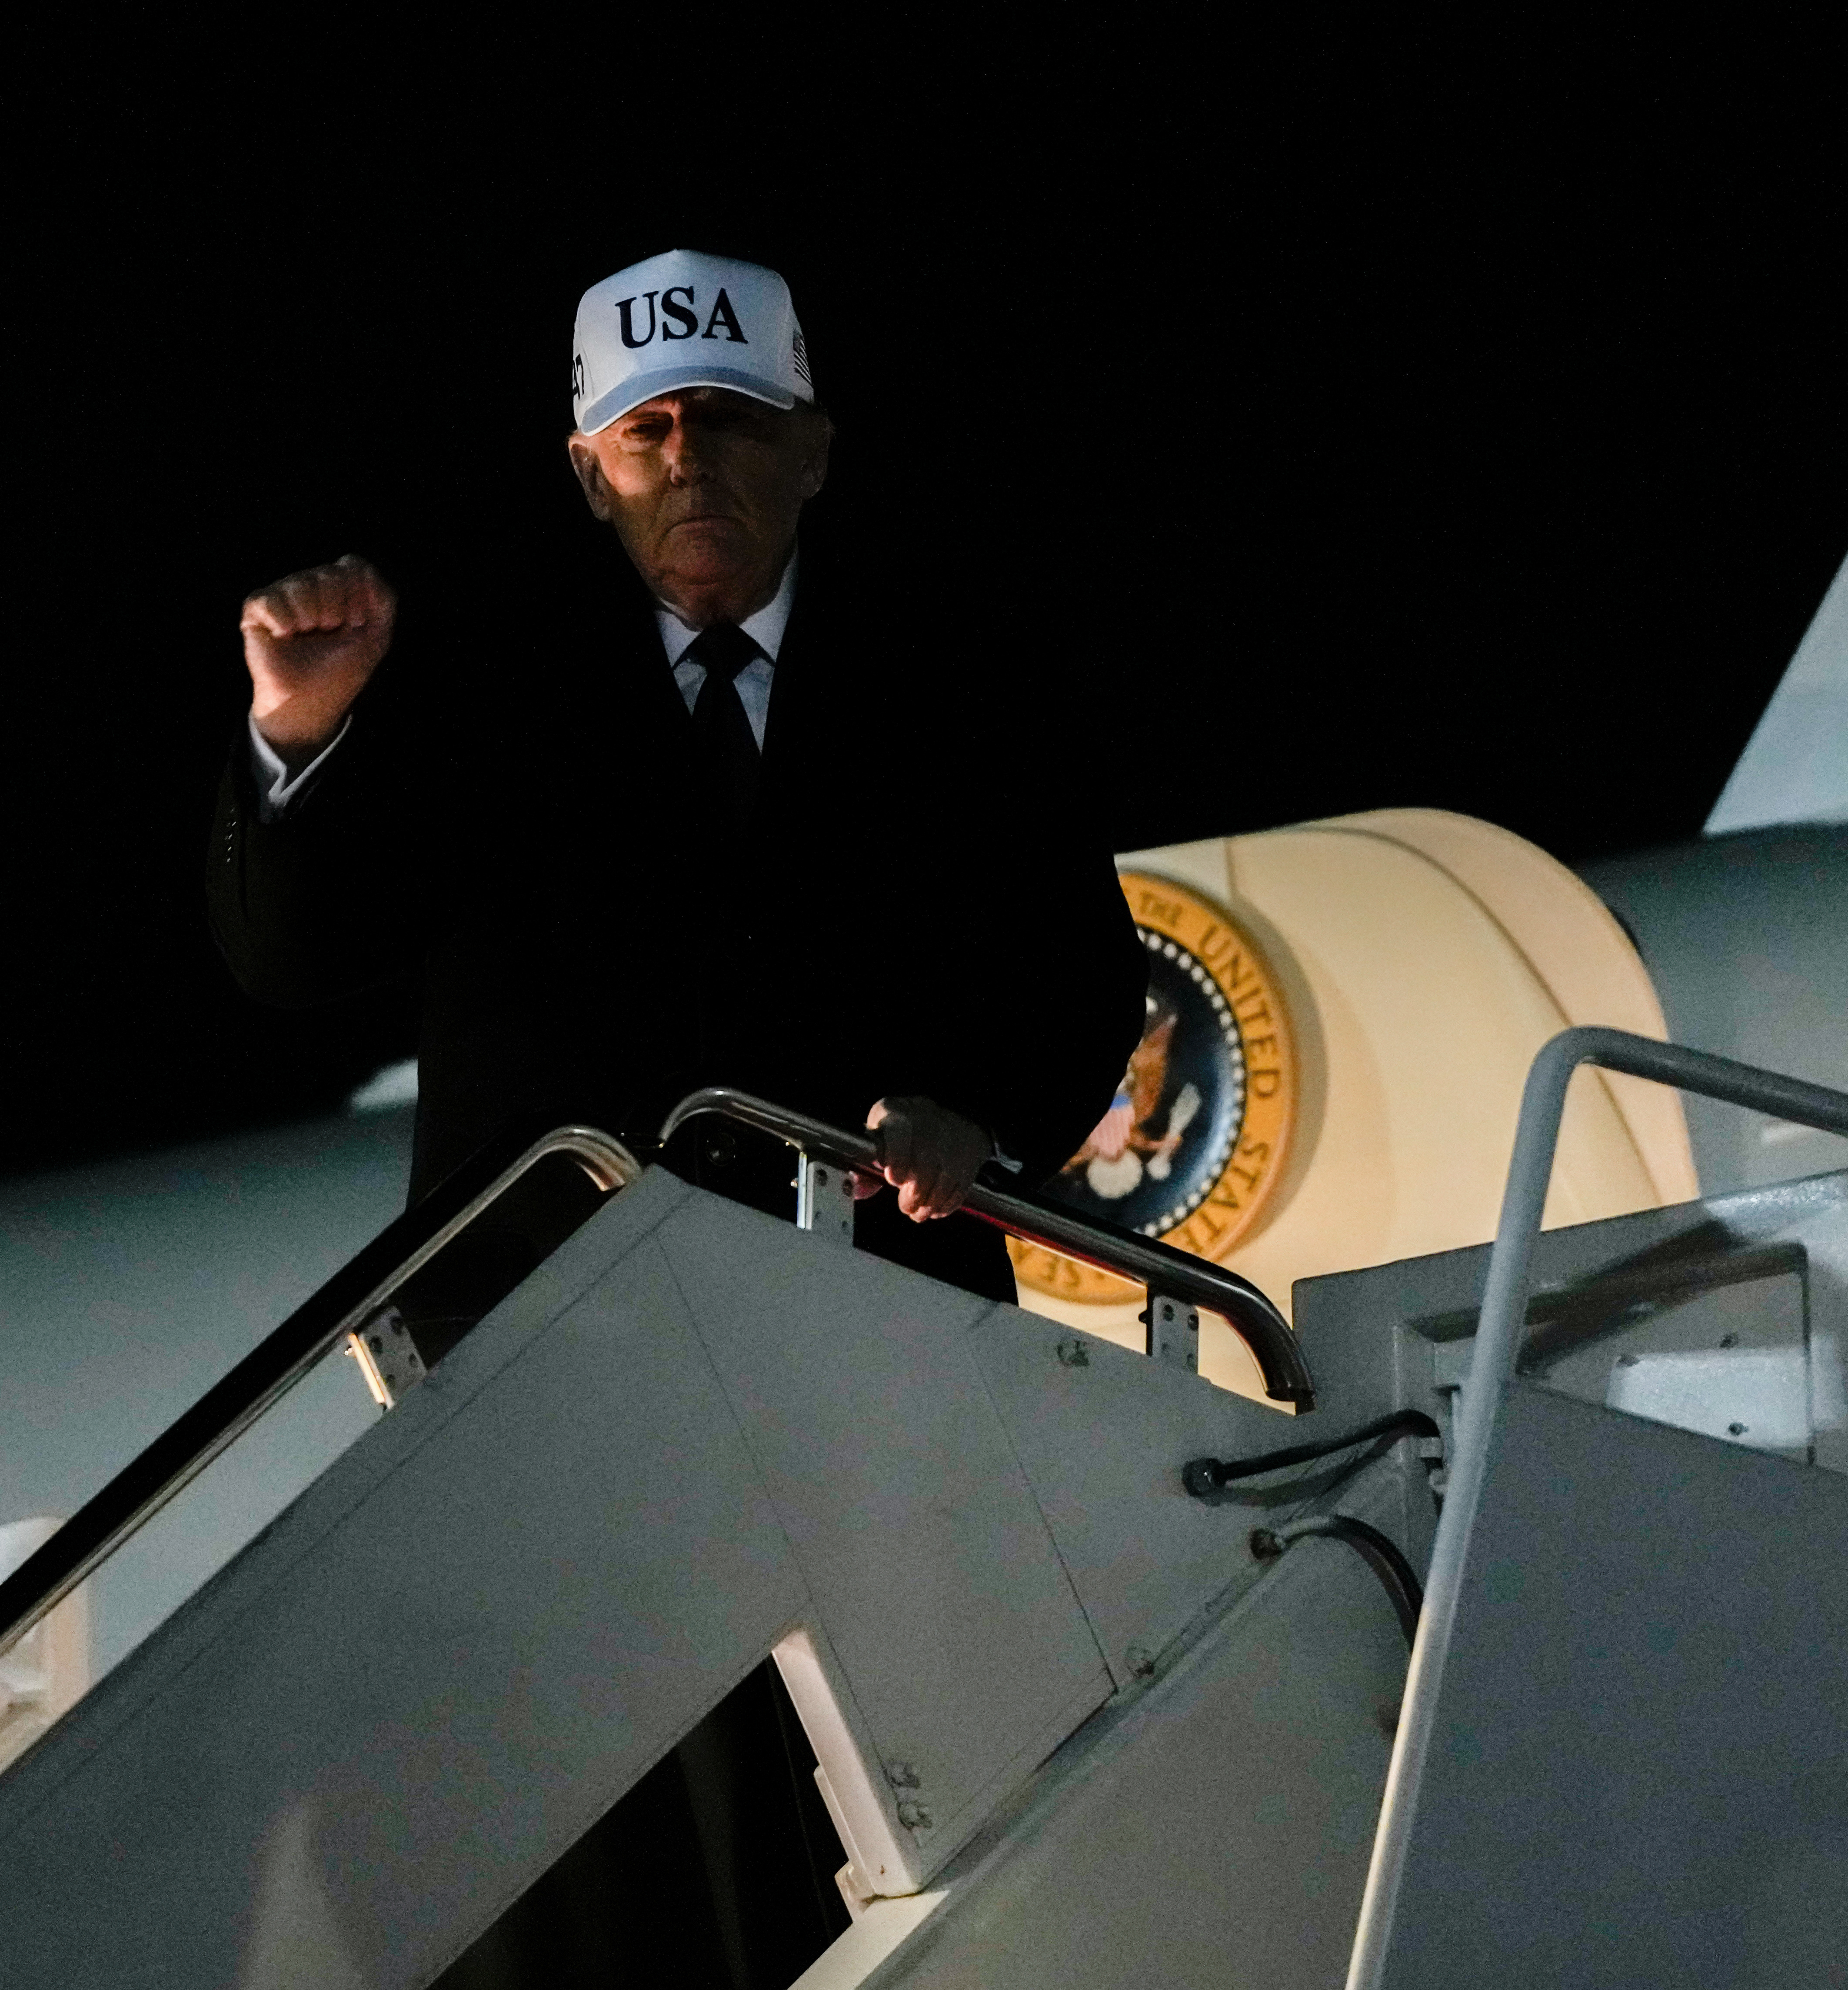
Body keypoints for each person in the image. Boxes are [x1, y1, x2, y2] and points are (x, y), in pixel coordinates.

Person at [203, 249, 1148, 1988]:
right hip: (575, 1381)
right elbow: (293, 954)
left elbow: (1076, 980)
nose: (688, 462)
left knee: (902, 1832)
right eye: (643, 432)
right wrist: (301, 735)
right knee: (599, 1857)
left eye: (729, 421)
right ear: (585, 472)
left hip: (874, 1374)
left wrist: (982, 1116)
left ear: (815, 451)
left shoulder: (960, 678)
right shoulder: (477, 692)